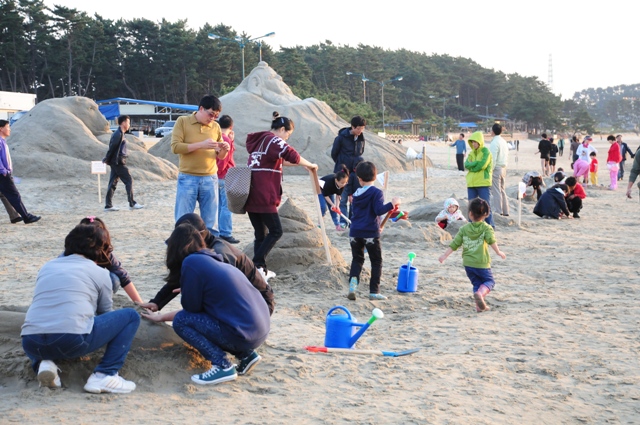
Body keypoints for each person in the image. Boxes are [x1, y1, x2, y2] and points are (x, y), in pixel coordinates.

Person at [21, 224, 140, 393]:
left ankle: (44, 363)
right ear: (102, 250)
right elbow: (105, 313)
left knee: (42, 321)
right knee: (131, 316)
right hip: (71, 339)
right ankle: (105, 374)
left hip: (31, 343)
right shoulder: (100, 272)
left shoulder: (47, 266)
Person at [161, 223, 270, 385]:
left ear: (183, 246)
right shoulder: (214, 259)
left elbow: (191, 309)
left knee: (181, 321)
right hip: (259, 330)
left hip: (243, 333)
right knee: (214, 319)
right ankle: (246, 355)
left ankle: (222, 365)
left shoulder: (191, 262)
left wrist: (188, 292)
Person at [139, 213, 275, 315]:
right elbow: (177, 278)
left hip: (259, 304)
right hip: (241, 302)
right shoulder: (197, 251)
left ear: (200, 235)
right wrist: (157, 302)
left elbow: (228, 289)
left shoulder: (220, 253)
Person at [245, 112, 318, 279]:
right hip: (264, 194)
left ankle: (260, 270)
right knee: (276, 231)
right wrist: (311, 165)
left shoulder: (260, 141)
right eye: (288, 135)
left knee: (260, 233)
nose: (287, 139)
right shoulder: (274, 140)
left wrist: (303, 166)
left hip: (251, 193)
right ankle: (257, 263)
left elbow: (280, 160)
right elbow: (292, 154)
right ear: (283, 129)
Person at [171, 95, 230, 233]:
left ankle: (210, 251)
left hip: (210, 178)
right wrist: (201, 145)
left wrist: (224, 150)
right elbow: (175, 147)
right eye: (211, 114)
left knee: (211, 223)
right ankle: (181, 249)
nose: (212, 118)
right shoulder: (183, 121)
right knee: (183, 220)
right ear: (201, 109)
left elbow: (220, 156)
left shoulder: (215, 126)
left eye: (216, 116)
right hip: (188, 177)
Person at [438, 198, 506, 312]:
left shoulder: (464, 229)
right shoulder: (486, 228)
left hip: (468, 264)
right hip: (482, 263)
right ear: (486, 214)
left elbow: (455, 244)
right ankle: (480, 294)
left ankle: (479, 306)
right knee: (489, 282)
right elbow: (491, 240)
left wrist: (444, 255)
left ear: (470, 214)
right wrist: (498, 252)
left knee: (476, 283)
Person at [347, 161, 400, 301]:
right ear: (375, 177)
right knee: (376, 261)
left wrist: (378, 224)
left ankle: (353, 283)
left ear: (359, 179)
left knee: (357, 259)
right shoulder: (377, 192)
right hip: (370, 233)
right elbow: (378, 210)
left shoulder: (356, 194)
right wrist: (392, 204)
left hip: (355, 232)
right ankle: (374, 291)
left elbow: (362, 213)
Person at [78, 216, 143, 303]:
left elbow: (123, 277)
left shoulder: (104, 253)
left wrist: (140, 304)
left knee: (114, 278)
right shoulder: (72, 252)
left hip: (96, 287)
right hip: (78, 286)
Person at [0, 120, 40, 224]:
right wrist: (4, 171)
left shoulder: (2, 141)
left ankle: (14, 216)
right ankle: (26, 217)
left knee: (4, 195)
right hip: (2, 175)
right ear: (1, 128)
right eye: (8, 127)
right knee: (14, 195)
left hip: (3, 174)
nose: (10, 129)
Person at [331, 116, 366, 226]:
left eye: (362, 128)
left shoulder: (361, 138)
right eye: (359, 128)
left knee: (355, 198)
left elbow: (360, 152)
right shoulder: (341, 138)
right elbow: (334, 153)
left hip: (356, 172)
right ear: (353, 126)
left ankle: (352, 221)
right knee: (342, 198)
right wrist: (342, 164)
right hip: (342, 171)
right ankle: (343, 221)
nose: (360, 131)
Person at [103, 115, 143, 212]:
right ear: (123, 123)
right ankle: (132, 203)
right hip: (118, 162)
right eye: (128, 122)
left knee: (112, 183)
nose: (129, 124)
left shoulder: (120, 133)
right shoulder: (118, 134)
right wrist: (107, 158)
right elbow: (112, 148)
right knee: (128, 180)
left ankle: (108, 205)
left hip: (116, 161)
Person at [216, 115, 239, 244]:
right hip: (225, 176)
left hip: (217, 177)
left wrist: (232, 140)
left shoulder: (219, 137)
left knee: (219, 205)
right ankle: (225, 232)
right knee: (227, 206)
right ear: (231, 126)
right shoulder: (226, 140)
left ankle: (219, 231)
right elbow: (224, 159)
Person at [464, 131, 493, 227]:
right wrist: (475, 164)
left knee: (486, 206)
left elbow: (482, 165)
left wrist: (474, 166)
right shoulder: (471, 153)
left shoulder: (486, 151)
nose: (473, 144)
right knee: (471, 206)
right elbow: (466, 164)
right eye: (472, 142)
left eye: (475, 142)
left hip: (483, 183)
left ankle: (490, 226)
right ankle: (471, 226)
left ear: (479, 141)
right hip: (471, 183)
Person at [318, 165, 349, 231]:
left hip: (330, 191)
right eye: (342, 183)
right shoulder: (329, 183)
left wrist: (337, 206)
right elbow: (326, 195)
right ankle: (320, 223)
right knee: (323, 207)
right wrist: (332, 204)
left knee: (334, 209)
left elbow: (338, 196)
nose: (344, 184)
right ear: (336, 180)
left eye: (345, 183)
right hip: (320, 189)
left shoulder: (342, 185)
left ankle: (337, 225)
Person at [488, 123, 509, 217]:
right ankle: (505, 210)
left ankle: (498, 211)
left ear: (493, 131)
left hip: (497, 168)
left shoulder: (494, 142)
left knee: (496, 190)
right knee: (502, 190)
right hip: (504, 167)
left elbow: (493, 158)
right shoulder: (503, 141)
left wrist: (490, 170)